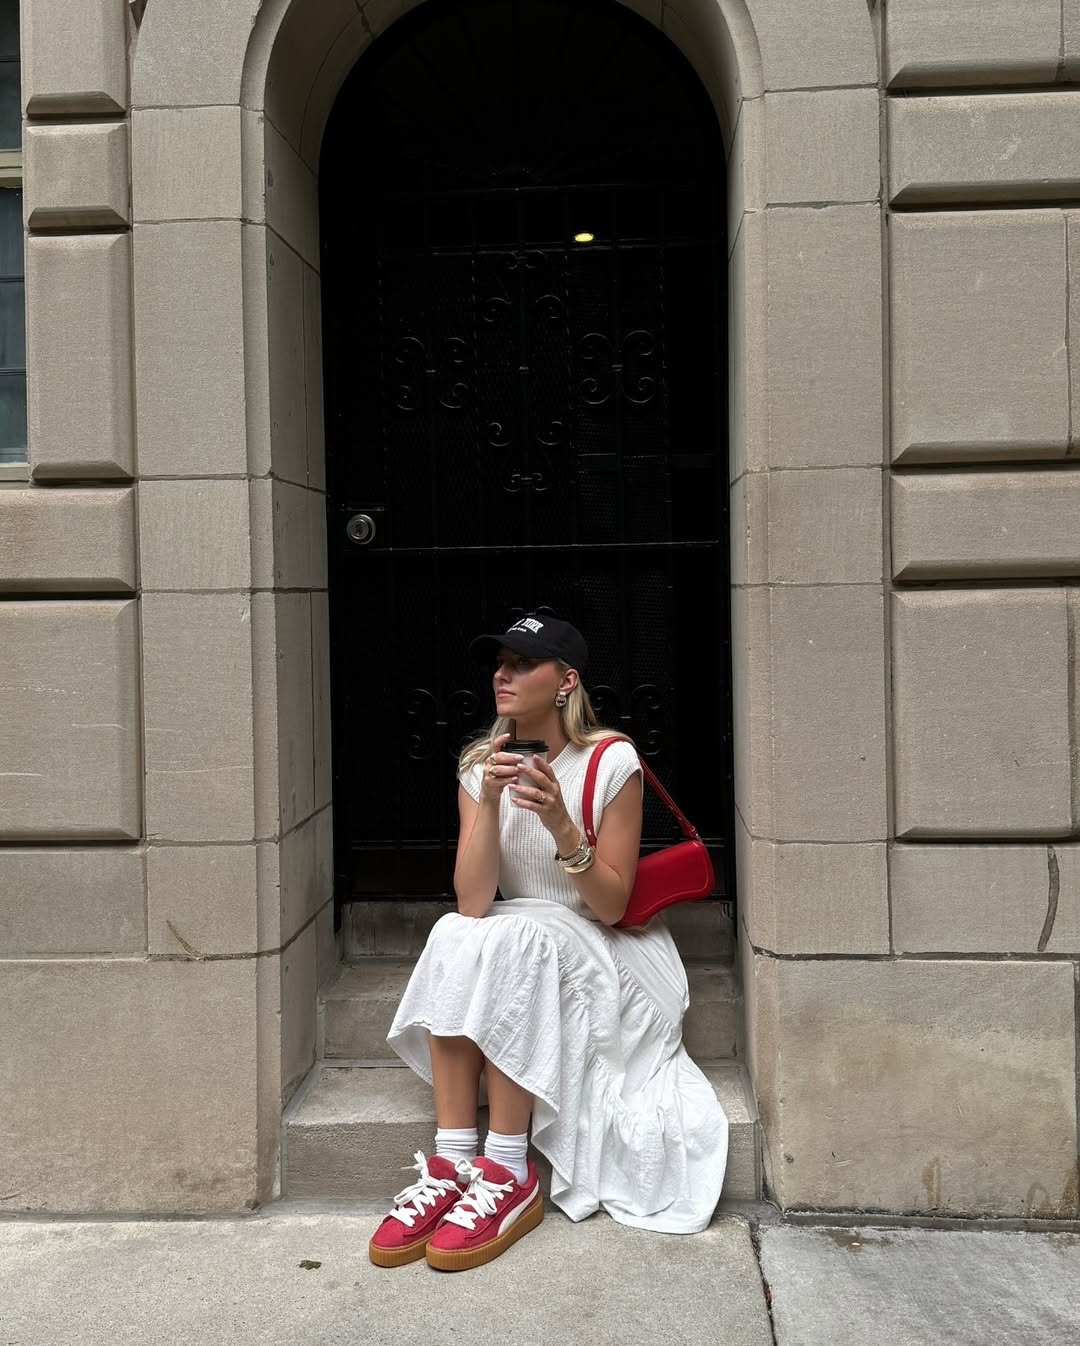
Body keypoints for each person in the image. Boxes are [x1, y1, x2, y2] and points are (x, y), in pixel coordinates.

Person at [368, 614, 729, 1271]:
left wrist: (565, 825)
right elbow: (475, 901)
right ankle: (452, 1162)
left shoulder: (610, 760)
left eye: (521, 663)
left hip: (606, 944)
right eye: (498, 663)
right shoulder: (483, 764)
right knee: (459, 930)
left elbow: (614, 904)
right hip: (519, 934)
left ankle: (508, 1170)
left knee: (516, 939)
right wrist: (487, 799)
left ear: (565, 683)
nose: (502, 675)